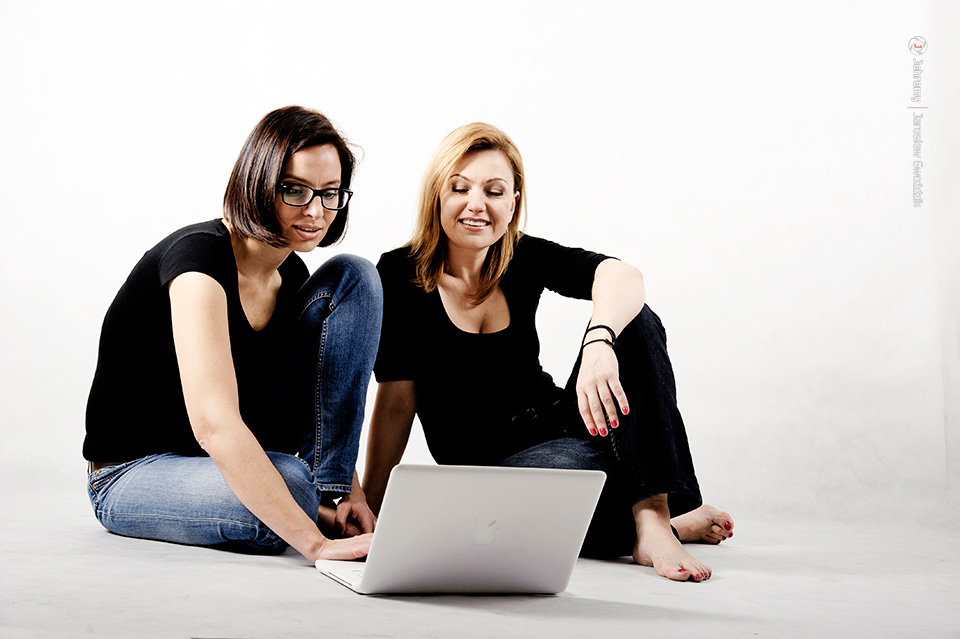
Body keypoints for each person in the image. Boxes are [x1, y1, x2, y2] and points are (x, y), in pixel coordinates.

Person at [362, 122, 734, 582]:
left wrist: (599, 340)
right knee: (569, 482)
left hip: (564, 423)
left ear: (513, 202)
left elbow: (623, 276)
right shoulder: (398, 274)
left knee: (634, 319)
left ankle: (654, 519)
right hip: (495, 465)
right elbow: (396, 402)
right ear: (437, 194)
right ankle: (665, 517)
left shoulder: (519, 255)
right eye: (460, 188)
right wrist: (373, 507)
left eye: (494, 191)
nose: (476, 204)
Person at [83, 106, 381, 563]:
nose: (315, 210)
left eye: (330, 193)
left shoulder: (292, 277)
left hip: (219, 464)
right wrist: (316, 544)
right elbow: (214, 425)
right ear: (258, 184)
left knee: (354, 276)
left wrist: (349, 493)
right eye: (295, 190)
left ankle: (326, 494)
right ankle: (306, 506)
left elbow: (323, 395)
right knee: (291, 485)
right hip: (133, 474)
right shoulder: (197, 264)